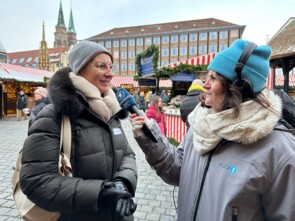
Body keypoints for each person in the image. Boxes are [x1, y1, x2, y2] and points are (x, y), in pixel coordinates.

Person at [129, 39, 295, 220]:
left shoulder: (279, 150)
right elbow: (179, 170)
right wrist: (149, 136)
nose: (204, 84)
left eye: (213, 78)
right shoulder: (201, 122)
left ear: (238, 87)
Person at [19, 40, 137, 221]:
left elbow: (128, 155)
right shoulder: (54, 115)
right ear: (81, 69)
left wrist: (123, 182)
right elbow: (36, 181)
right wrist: (101, 192)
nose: (110, 73)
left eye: (111, 66)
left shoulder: (110, 109)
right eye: (101, 66)